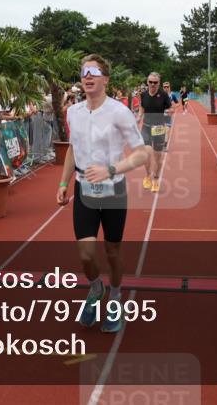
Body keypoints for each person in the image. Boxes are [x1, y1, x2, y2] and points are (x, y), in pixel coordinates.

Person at [56, 54, 150, 333]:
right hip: (83, 188)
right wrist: (63, 184)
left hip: (113, 190)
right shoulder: (73, 111)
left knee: (112, 251)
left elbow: (142, 154)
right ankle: (96, 289)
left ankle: (116, 295)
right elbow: (72, 149)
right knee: (86, 253)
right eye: (84, 71)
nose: (88, 76)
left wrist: (111, 169)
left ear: (106, 79)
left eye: (94, 72)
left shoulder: (119, 111)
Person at [136, 72, 173, 193]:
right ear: (147, 82)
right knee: (146, 154)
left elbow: (171, 107)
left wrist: (168, 111)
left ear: (159, 83)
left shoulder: (163, 95)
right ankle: (147, 175)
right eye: (150, 82)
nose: (152, 84)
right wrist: (139, 116)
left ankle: (156, 179)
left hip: (159, 129)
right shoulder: (144, 94)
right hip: (146, 127)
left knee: (157, 157)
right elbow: (142, 106)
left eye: (155, 82)